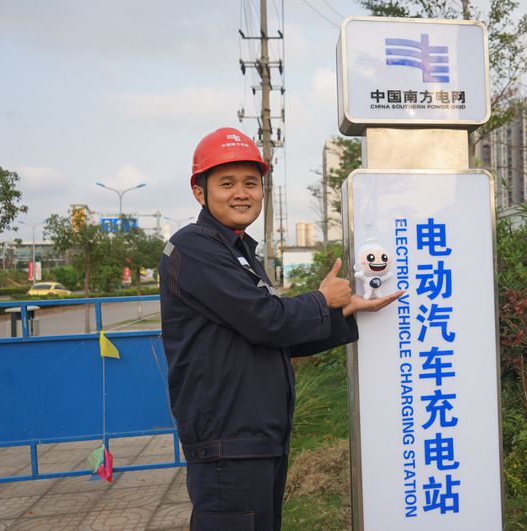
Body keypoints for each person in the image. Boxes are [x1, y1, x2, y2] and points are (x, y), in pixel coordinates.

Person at [158, 127, 401, 530]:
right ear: (200, 192)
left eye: (251, 183)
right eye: (227, 183)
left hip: (254, 439)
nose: (242, 193)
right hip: (228, 443)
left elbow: (274, 337)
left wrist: (342, 312)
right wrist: (322, 300)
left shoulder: (238, 251)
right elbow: (266, 320)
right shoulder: (194, 247)